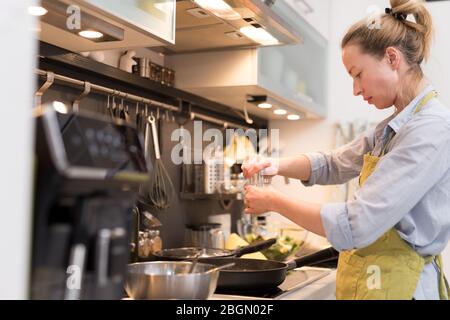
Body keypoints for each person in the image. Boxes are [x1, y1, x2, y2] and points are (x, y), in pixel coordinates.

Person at [242, 0, 450, 300]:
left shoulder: (429, 129)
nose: (355, 89)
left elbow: (358, 224)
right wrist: (274, 165)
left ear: (392, 58)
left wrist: (273, 201)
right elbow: (333, 164)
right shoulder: (394, 126)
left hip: (405, 289)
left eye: (357, 74)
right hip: (382, 283)